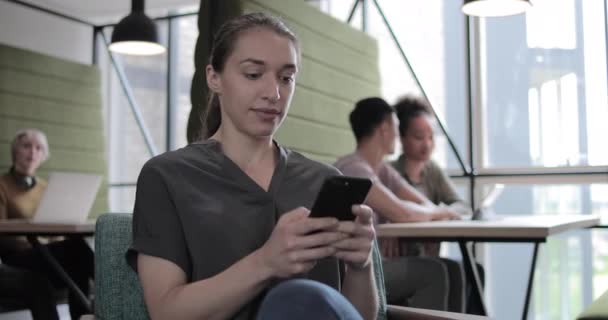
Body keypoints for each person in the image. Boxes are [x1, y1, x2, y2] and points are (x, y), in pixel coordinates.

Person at [127, 12, 378, 320]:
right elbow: (166, 312)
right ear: (213, 78)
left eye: (286, 78)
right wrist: (265, 263)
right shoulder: (166, 176)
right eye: (253, 74)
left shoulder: (323, 179)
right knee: (298, 297)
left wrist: (360, 266)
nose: (273, 94)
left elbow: (358, 316)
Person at [334, 97, 463, 311]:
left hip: (373, 262)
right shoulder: (354, 169)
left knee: (453, 269)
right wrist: (440, 212)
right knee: (433, 272)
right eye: (396, 126)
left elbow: (423, 203)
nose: (397, 134)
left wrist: (437, 211)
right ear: (384, 129)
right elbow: (404, 213)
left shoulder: (381, 169)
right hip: (356, 271)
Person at [392, 95, 484, 314]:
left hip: (429, 255)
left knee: (474, 271)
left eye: (431, 137)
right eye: (418, 136)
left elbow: (462, 206)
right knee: (448, 270)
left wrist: (439, 214)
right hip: (402, 259)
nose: (427, 144)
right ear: (402, 138)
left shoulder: (432, 171)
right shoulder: (391, 173)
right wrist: (441, 214)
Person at [0, 128, 94, 319]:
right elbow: (1, 232)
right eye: (26, 146)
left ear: (44, 156)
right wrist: (40, 240)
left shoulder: (47, 188)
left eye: (39, 148)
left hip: (46, 256)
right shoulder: (2, 185)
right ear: (15, 151)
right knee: (78, 252)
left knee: (78, 260)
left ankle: (83, 316)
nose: (33, 152)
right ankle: (117, 290)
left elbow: (57, 229)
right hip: (17, 257)